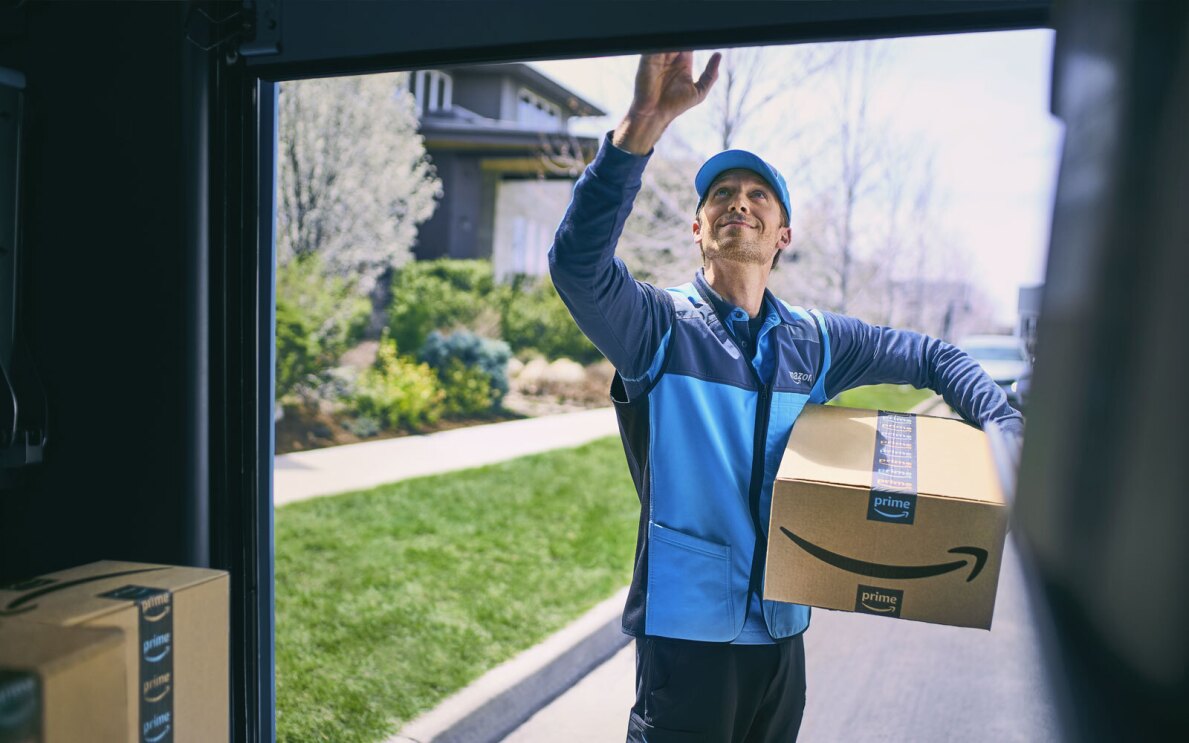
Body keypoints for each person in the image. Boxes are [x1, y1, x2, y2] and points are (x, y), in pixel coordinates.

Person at [548, 52, 1023, 743]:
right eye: (719, 195)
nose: (737, 201)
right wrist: (640, 127)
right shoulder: (657, 327)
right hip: (687, 644)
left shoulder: (816, 342)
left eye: (757, 196)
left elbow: (932, 354)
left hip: (782, 638)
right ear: (698, 230)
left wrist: (1000, 418)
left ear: (782, 236)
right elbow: (576, 267)